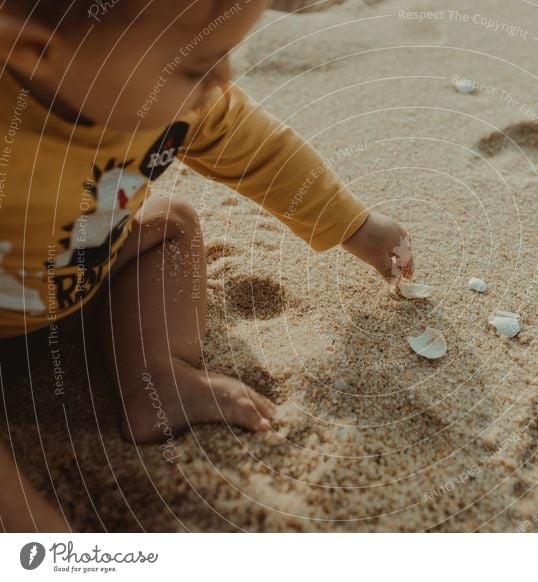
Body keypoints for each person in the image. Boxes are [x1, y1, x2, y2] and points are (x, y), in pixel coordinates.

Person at [0, 0, 414, 531]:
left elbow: (257, 151)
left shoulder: (181, 100)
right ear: (37, 51)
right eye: (195, 66)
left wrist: (353, 224)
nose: (222, 80)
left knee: (170, 222)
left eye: (224, 55)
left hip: (73, 276)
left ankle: (159, 374)